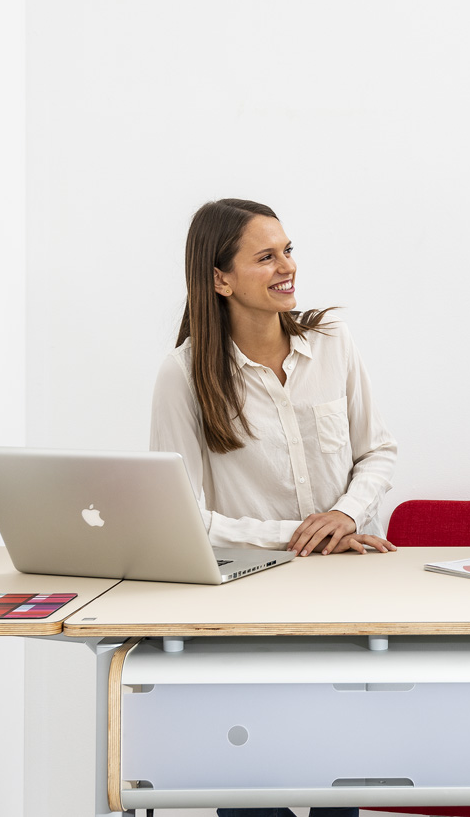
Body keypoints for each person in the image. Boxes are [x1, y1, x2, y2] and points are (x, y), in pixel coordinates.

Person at [151, 198, 398, 817]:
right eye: (266, 257)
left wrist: (345, 516)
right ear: (220, 279)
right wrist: (301, 534)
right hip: (246, 608)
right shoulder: (183, 376)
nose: (286, 267)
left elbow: (379, 452)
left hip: (346, 597)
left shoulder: (333, 343)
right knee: (253, 789)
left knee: (342, 782)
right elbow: (180, 514)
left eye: (288, 250)